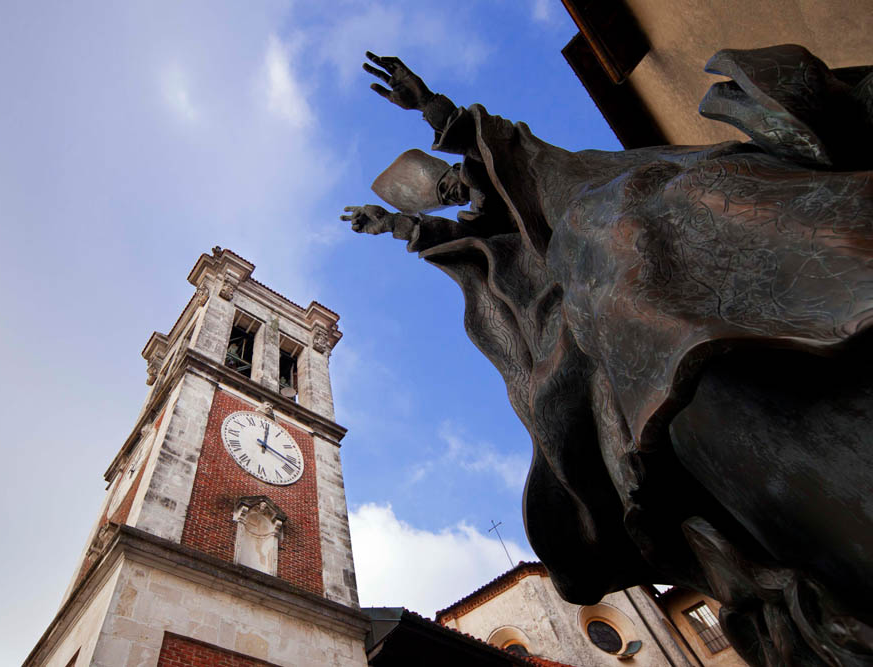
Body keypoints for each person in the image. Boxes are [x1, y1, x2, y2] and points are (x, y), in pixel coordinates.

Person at [343, 48, 873, 666]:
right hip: (575, 302)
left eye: (452, 177)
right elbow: (470, 237)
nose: (458, 188)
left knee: (627, 233)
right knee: (578, 390)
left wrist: (431, 105)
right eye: (446, 192)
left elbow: (510, 150)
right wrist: (393, 226)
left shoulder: (539, 181)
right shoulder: (488, 230)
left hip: (609, 249)